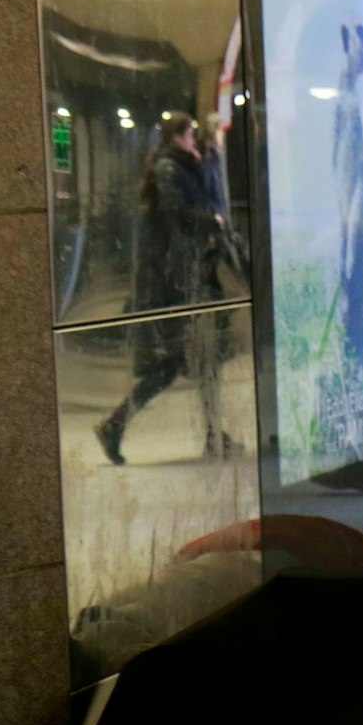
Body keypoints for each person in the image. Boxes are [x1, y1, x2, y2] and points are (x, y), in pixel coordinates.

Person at [95, 113, 229, 466]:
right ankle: (115, 425)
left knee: (201, 360)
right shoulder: (168, 170)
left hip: (186, 278)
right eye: (189, 136)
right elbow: (178, 216)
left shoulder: (181, 167)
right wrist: (209, 222)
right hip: (174, 284)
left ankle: (215, 434)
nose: (194, 142)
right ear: (178, 138)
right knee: (176, 364)